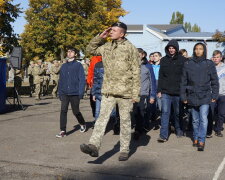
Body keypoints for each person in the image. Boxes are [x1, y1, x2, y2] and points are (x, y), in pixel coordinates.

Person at [80, 22, 140, 161]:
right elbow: (90, 50)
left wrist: (135, 94)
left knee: (125, 122)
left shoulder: (130, 48)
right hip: (108, 91)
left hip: (125, 93)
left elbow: (136, 72)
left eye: (114, 30)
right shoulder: (106, 47)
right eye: (110, 30)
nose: (111, 32)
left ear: (122, 33)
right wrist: (100, 37)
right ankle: (93, 146)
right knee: (101, 119)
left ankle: (124, 150)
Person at [180, 43, 219, 151]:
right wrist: (183, 96)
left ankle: (201, 140)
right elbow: (183, 81)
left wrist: (214, 94)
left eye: (200, 49)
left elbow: (214, 81)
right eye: (196, 49)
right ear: (194, 50)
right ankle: (196, 137)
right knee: (195, 120)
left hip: (205, 96)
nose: (198, 51)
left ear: (204, 51)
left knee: (203, 118)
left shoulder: (209, 64)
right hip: (192, 95)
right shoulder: (188, 63)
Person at [157, 40, 186, 142]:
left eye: (173, 48)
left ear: (176, 49)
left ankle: (178, 129)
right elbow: (160, 76)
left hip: (178, 92)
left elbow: (185, 76)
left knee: (178, 113)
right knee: (165, 112)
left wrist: (185, 91)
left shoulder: (183, 60)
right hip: (166, 92)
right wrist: (159, 90)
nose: (171, 50)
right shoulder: (164, 60)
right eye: (169, 48)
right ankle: (163, 135)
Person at [56, 48, 86, 138]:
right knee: (63, 111)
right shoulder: (64, 66)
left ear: (75, 54)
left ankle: (82, 123)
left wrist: (81, 92)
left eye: (72, 52)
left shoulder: (78, 65)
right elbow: (61, 80)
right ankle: (62, 130)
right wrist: (60, 92)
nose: (69, 53)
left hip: (75, 93)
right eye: (68, 51)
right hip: (65, 93)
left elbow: (82, 80)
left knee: (76, 111)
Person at [133, 48, 156, 139]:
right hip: (132, 94)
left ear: (143, 55)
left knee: (141, 112)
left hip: (143, 93)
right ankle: (138, 126)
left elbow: (152, 81)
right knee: (134, 113)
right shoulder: (131, 65)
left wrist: (152, 95)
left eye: (139, 54)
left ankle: (138, 130)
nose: (137, 55)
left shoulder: (148, 66)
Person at [212, 50, 225, 137]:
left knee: (221, 113)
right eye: (215, 57)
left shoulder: (224, 67)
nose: (216, 59)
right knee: (211, 113)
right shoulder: (210, 67)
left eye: (217, 57)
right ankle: (208, 129)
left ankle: (218, 129)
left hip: (222, 94)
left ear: (221, 58)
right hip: (212, 94)